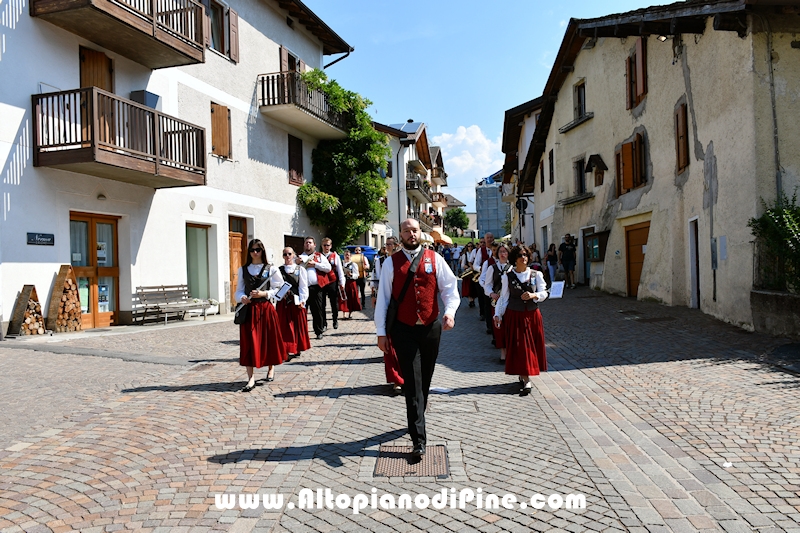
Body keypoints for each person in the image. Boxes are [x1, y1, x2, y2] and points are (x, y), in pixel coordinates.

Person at [375, 218, 460, 459]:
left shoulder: (435, 259)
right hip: (403, 329)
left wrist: (450, 313)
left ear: (420, 233)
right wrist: (381, 333)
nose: (411, 234)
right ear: (400, 234)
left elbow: (450, 289)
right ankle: (418, 439)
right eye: (406, 231)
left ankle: (417, 416)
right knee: (411, 384)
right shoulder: (391, 263)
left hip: (431, 328)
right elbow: (383, 300)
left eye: (414, 230)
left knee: (425, 380)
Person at [493, 245, 548, 396]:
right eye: (520, 255)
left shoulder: (536, 274)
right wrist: (498, 315)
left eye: (525, 255)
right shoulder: (507, 276)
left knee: (530, 348)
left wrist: (534, 295)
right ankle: (526, 378)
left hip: (532, 315)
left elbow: (544, 292)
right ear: (514, 259)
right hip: (515, 315)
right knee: (520, 347)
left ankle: (525, 375)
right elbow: (504, 298)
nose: (523, 258)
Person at [235, 239, 287, 392]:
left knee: (268, 341)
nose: (255, 253)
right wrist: (241, 298)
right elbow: (238, 291)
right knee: (248, 343)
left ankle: (271, 368)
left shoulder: (271, 269)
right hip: (249, 311)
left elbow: (282, 288)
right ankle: (250, 379)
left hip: (265, 309)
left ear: (262, 251)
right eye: (252, 250)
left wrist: (265, 293)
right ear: (249, 252)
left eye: (258, 250)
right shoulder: (243, 269)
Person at [371, 236, 403, 393]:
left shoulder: (403, 259)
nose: (388, 247)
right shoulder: (381, 260)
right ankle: (396, 379)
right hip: (387, 303)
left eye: (390, 244)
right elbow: (376, 278)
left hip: (401, 304)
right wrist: (374, 295)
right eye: (386, 245)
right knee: (390, 341)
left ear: (397, 245)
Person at [276, 247, 311, 360]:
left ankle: (297, 347)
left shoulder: (300, 270)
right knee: (284, 327)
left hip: (296, 302)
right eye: (285, 254)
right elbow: (275, 286)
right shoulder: (278, 270)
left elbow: (303, 287)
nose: (287, 256)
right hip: (283, 302)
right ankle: (286, 349)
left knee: (296, 326)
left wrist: (302, 301)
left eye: (289, 254)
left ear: (294, 255)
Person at [297, 236, 331, 339]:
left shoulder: (319, 256)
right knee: (302, 311)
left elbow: (328, 268)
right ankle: (303, 333)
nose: (308, 244)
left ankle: (318, 331)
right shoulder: (299, 258)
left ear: (314, 245)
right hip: (302, 289)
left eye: (310, 242)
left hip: (316, 288)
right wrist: (296, 263)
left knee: (317, 311)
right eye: (306, 242)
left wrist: (315, 264)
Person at [483, 243, 511, 361]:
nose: (503, 254)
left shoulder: (512, 267)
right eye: (500, 252)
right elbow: (487, 285)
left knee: (510, 327)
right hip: (497, 301)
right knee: (499, 328)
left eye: (505, 251)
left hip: (510, 301)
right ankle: (503, 353)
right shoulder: (492, 268)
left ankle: (510, 351)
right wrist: (491, 294)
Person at [320, 238, 345, 331]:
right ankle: (324, 323)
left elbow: (340, 270)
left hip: (332, 281)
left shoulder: (335, 256)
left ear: (331, 246)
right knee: (322, 303)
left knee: (334, 303)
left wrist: (342, 282)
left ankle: (335, 320)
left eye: (328, 245)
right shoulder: (318, 256)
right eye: (324, 245)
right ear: (321, 246)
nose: (326, 247)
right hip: (322, 282)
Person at [479, 242, 500, 335]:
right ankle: (490, 327)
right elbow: (482, 278)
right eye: (494, 250)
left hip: (501, 291)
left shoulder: (506, 262)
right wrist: (487, 289)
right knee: (489, 309)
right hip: (490, 290)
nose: (496, 252)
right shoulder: (487, 262)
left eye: (497, 250)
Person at [473, 233, 495, 322]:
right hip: (484, 278)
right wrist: (481, 268)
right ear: (485, 240)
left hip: (495, 278)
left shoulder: (497, 249)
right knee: (483, 298)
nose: (489, 239)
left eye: (491, 238)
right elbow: (475, 265)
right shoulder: (480, 251)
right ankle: (483, 314)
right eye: (487, 238)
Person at [339, 250, 362, 319]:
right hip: (344, 282)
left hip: (351, 282)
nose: (347, 256)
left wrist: (351, 274)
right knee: (343, 297)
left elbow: (357, 275)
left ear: (350, 256)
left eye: (348, 255)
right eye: (346, 255)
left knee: (351, 297)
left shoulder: (353, 264)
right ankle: (344, 313)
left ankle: (350, 312)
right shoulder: (341, 264)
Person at [460, 242, 476, 306]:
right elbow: (462, 265)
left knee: (473, 287)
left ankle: (473, 299)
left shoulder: (475, 253)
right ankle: (470, 300)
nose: (470, 247)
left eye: (471, 246)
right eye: (469, 246)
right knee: (468, 287)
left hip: (474, 272)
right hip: (468, 273)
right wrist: (467, 266)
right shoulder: (465, 255)